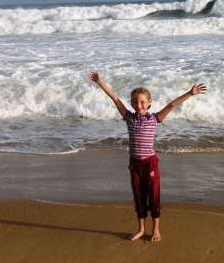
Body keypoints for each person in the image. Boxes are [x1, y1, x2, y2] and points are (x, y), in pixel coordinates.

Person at [88, 71, 207, 242]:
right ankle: (141, 229)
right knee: (139, 197)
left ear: (149, 103)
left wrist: (190, 93)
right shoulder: (128, 117)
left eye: (143, 101)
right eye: (136, 102)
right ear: (132, 103)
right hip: (134, 165)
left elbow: (172, 105)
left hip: (150, 164)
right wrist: (100, 82)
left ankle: (156, 230)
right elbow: (114, 98)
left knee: (153, 196)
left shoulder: (155, 118)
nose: (139, 104)